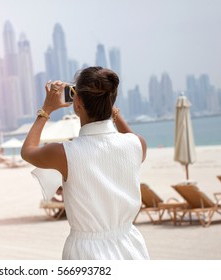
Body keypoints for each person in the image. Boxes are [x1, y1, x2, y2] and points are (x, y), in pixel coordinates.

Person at [21, 66, 149, 260]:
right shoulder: (137, 144)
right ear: (112, 100)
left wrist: (46, 109)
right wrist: (110, 109)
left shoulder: (64, 153)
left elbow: (27, 151)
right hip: (131, 247)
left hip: (87, 253)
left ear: (77, 102)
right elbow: (126, 135)